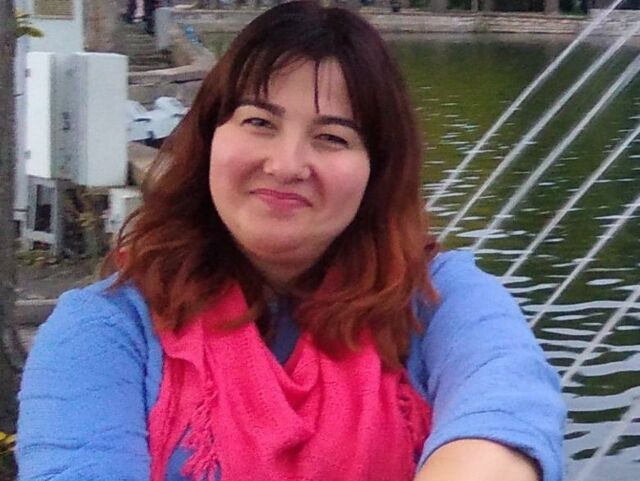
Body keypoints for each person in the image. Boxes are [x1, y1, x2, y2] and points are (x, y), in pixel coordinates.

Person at [17, 2, 565, 481]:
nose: (285, 165)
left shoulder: (435, 298)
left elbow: (508, 408)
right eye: (259, 122)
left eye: (331, 137)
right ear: (208, 139)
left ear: (378, 170)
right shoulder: (108, 330)